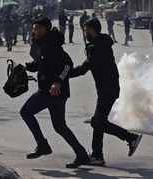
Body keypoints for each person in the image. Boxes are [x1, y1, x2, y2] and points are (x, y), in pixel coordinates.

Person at [70, 18, 142, 166]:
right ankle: (129, 139)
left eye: (86, 30)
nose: (84, 33)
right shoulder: (103, 42)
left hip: (106, 90)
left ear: (92, 30)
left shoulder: (95, 47)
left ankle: (99, 155)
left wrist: (64, 75)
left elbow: (84, 68)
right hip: (110, 87)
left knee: (98, 123)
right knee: (98, 122)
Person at [20, 18, 90, 168]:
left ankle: (42, 145)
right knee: (60, 126)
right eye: (34, 29)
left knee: (25, 111)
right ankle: (82, 154)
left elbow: (67, 65)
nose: (34, 31)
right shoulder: (44, 45)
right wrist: (25, 67)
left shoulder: (50, 45)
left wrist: (57, 82)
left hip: (51, 92)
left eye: (36, 29)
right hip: (56, 93)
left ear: (44, 30)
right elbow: (40, 64)